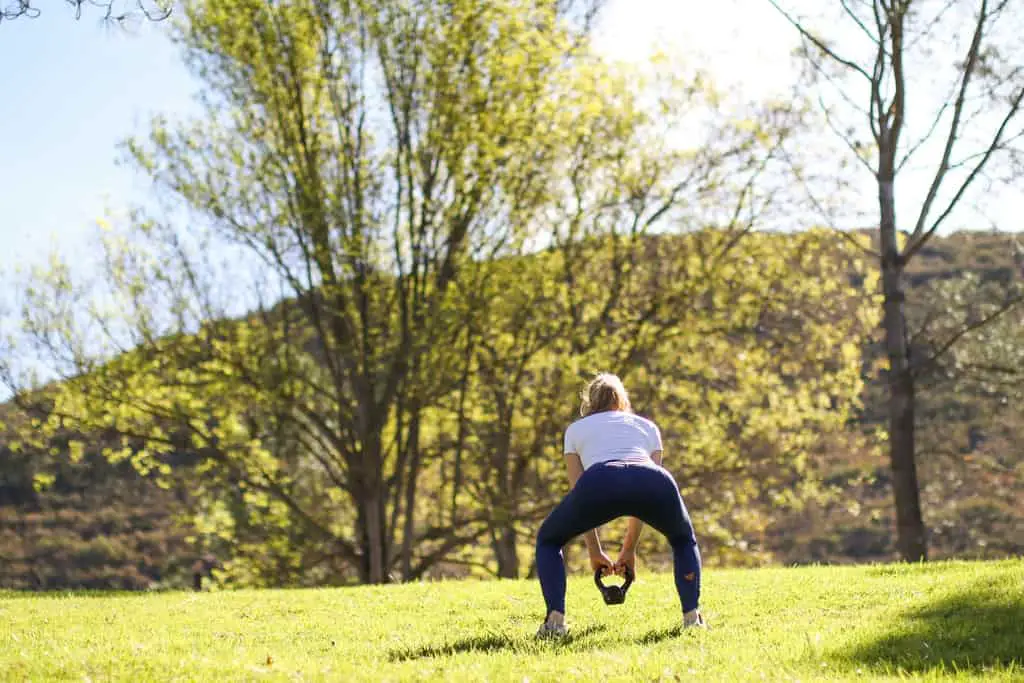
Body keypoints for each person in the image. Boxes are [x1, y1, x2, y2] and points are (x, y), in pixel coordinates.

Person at [535, 372, 705, 637]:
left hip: (600, 479)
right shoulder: (647, 427)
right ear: (623, 400)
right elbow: (642, 504)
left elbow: (578, 493)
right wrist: (628, 550)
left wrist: (595, 550)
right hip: (653, 479)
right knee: (683, 540)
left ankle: (555, 622)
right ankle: (692, 619)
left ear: (589, 402)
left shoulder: (576, 429)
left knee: (549, 539)